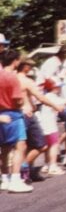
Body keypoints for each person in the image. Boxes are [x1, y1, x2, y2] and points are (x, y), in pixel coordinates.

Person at [1, 49, 33, 193]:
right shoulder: (12, 78)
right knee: (20, 146)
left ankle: (5, 178)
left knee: (5, 148)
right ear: (15, 62)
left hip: (1, 114)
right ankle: (15, 179)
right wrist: (24, 106)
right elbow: (17, 99)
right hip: (13, 114)